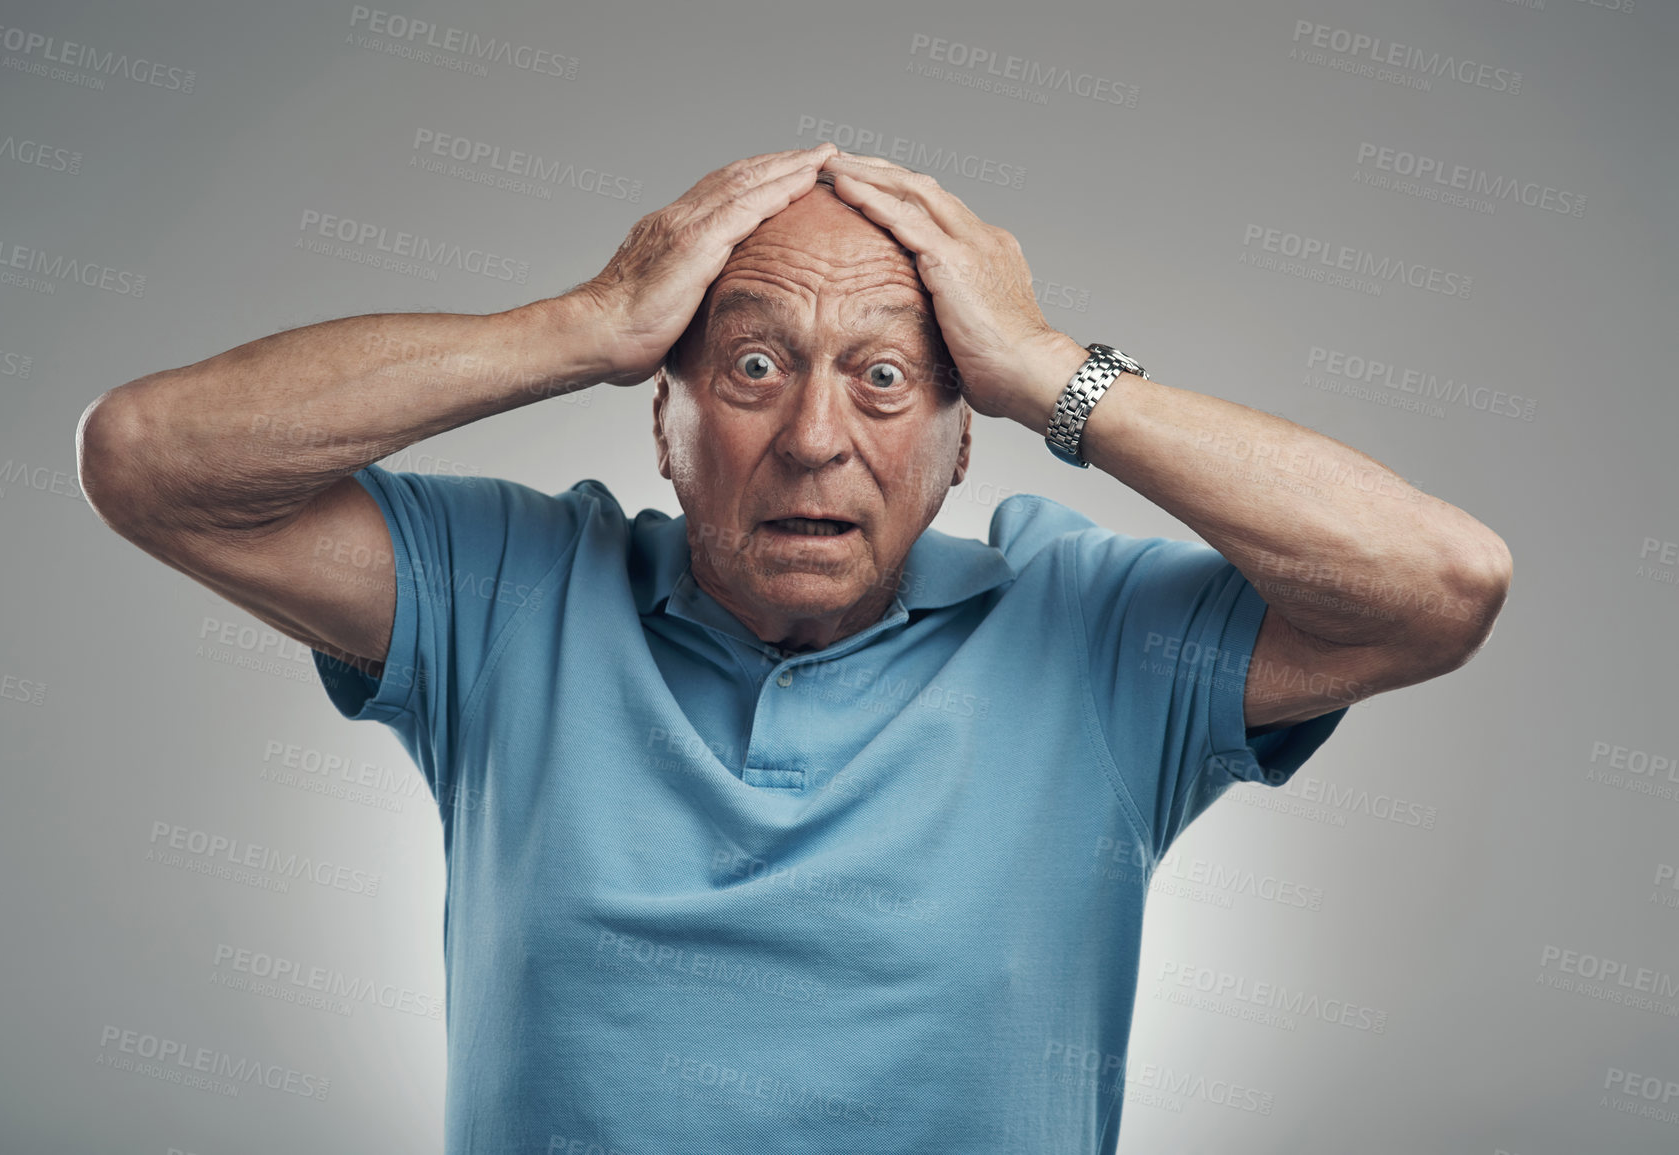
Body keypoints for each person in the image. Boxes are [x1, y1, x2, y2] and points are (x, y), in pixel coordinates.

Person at [76, 141, 1512, 1152]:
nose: (817, 437)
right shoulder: (509, 595)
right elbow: (150, 457)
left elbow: (1441, 582)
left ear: (962, 445)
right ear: (665, 415)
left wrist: (1048, 370)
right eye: (753, 367)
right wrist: (583, 323)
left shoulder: (1091, 636)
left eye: (888, 380)